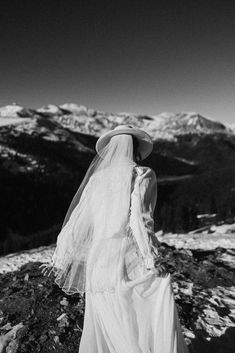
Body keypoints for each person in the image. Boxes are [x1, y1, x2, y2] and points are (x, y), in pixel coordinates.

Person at [40, 124, 189, 353]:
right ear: (136, 148)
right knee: (139, 317)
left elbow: (76, 223)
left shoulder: (95, 180)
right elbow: (140, 221)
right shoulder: (142, 174)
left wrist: (59, 260)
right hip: (126, 257)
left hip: (98, 262)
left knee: (109, 323)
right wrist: (151, 259)